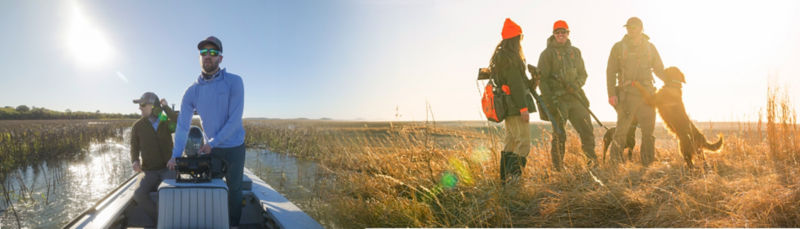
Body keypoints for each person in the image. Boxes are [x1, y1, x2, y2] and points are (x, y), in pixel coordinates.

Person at [166, 36, 246, 226]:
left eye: (213, 52)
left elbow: (235, 121)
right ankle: (217, 222)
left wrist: (212, 144)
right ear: (199, 57)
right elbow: (183, 126)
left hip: (234, 147)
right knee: (214, 186)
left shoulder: (234, 82)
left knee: (234, 189)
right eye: (203, 53)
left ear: (220, 58)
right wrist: (175, 156)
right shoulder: (192, 91)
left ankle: (233, 224)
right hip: (213, 149)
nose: (207, 56)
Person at [538, 20, 598, 171]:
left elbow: (583, 74)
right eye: (557, 32)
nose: (560, 35)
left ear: (568, 33)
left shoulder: (575, 52)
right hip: (558, 100)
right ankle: (558, 169)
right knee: (559, 135)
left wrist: (575, 85)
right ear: (553, 34)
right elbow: (542, 80)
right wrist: (549, 102)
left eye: (563, 32)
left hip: (576, 97)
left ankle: (592, 164)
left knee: (587, 131)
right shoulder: (546, 54)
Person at [606, 17, 665, 166]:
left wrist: (672, 82)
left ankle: (647, 165)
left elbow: (659, 70)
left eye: (633, 27)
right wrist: (611, 94)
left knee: (648, 133)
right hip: (627, 96)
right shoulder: (618, 47)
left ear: (641, 28)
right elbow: (610, 72)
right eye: (628, 27)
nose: (630, 30)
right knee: (621, 132)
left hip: (647, 97)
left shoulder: (650, 48)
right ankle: (614, 166)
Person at [490, 18, 537, 183]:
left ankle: (504, 180)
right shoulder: (511, 58)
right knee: (523, 144)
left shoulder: (500, 57)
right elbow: (516, 85)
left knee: (510, 142)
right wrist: (523, 108)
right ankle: (514, 181)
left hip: (508, 108)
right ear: (515, 38)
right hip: (516, 107)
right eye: (520, 37)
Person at [130, 92, 177, 224]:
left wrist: (166, 108)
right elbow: (134, 146)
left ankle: (170, 219)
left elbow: (178, 122)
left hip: (168, 168)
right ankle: (159, 219)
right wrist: (135, 160)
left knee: (171, 193)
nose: (140, 107)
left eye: (143, 104)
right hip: (149, 170)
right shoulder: (137, 126)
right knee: (138, 195)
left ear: (154, 107)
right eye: (139, 105)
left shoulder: (165, 122)